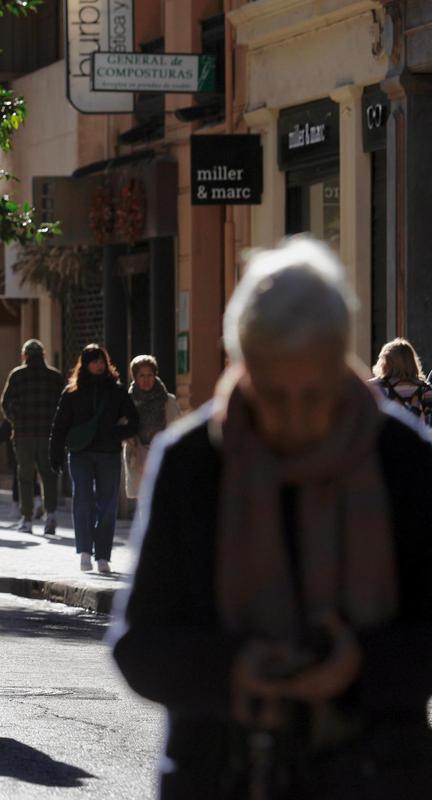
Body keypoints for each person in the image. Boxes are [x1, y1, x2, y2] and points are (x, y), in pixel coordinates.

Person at [111, 238, 432, 798]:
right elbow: (140, 646)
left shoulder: (401, 458)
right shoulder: (192, 462)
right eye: (273, 393)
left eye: (314, 392)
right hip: (222, 772)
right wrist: (235, 669)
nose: (295, 416)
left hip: (378, 773)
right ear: (242, 367)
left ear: (343, 362)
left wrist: (356, 670)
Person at [49, 345, 138, 574]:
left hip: (109, 454)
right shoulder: (72, 392)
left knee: (108, 506)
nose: (98, 365)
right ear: (85, 364)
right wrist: (55, 454)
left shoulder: (117, 391)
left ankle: (103, 555)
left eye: (101, 361)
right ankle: (85, 551)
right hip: (80, 454)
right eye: (94, 361)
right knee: (83, 501)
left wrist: (115, 433)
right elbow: (60, 425)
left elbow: (134, 422)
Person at [0, 339, 66, 535]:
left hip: (24, 433)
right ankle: (51, 514)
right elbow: (63, 405)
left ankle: (27, 519)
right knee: (49, 474)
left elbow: (5, 403)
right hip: (48, 434)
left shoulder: (17, 375)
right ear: (43, 356)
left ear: (24, 356)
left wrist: (16, 419)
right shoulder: (54, 376)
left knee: (25, 476)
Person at [122, 355, 181, 501]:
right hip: (138, 454)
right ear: (134, 377)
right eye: (141, 375)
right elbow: (121, 428)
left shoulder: (168, 401)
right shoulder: (127, 402)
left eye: (150, 375)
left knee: (163, 498)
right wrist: (128, 439)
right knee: (144, 500)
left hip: (163, 454)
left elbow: (178, 429)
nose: (146, 379)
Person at [368, 337, 432, 425]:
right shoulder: (425, 390)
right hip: (414, 437)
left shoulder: (373, 388)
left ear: (385, 361)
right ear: (412, 362)